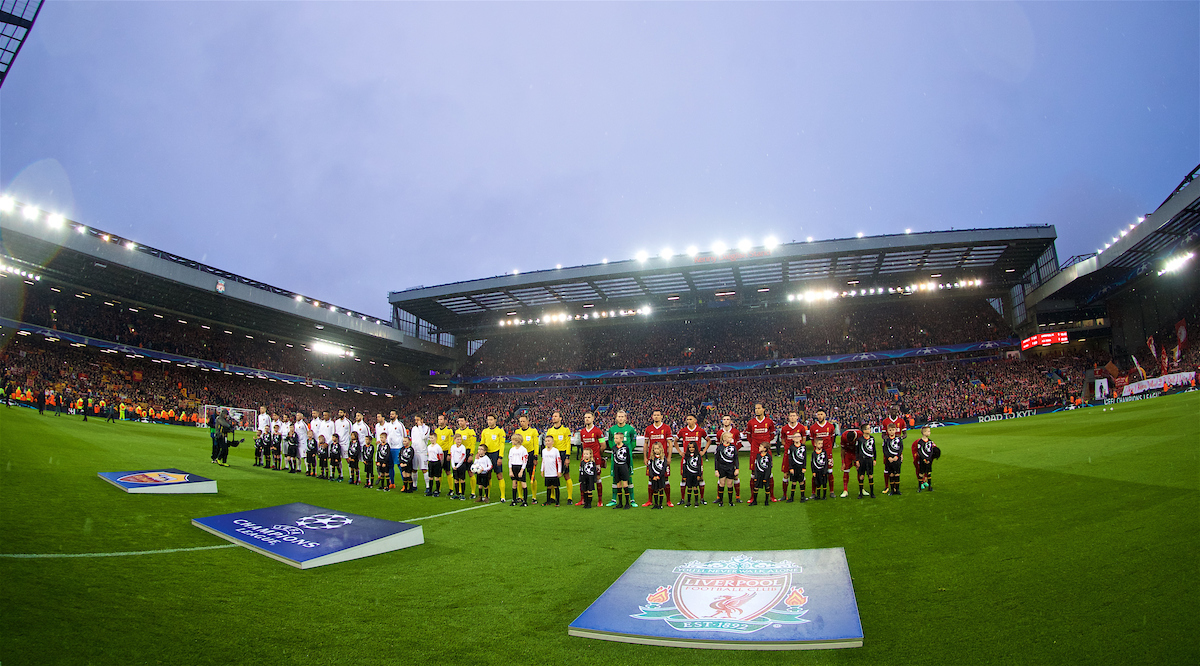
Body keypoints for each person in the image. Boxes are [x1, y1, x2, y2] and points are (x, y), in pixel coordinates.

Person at [605, 410, 637, 507]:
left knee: (629, 478)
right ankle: (614, 499)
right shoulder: (612, 429)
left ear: (625, 418)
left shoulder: (631, 429)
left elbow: (633, 441)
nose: (620, 418)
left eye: (622, 416)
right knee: (615, 479)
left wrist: (629, 450)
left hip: (627, 459)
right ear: (616, 418)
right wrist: (613, 448)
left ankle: (632, 500)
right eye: (619, 416)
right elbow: (610, 441)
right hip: (615, 458)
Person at [747, 403, 777, 501]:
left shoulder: (769, 421)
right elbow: (748, 436)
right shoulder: (751, 422)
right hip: (755, 451)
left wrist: (765, 445)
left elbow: (772, 435)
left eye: (759, 408)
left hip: (766, 452)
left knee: (769, 472)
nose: (757, 410)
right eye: (755, 408)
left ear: (764, 409)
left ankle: (771, 495)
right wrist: (755, 445)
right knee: (753, 472)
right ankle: (752, 496)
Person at [643, 410, 673, 507]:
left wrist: (669, 457)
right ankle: (649, 500)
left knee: (665, 478)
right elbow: (646, 443)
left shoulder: (666, 428)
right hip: (652, 459)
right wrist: (645, 457)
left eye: (658, 415)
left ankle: (668, 500)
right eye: (654, 415)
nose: (656, 417)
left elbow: (670, 443)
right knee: (651, 478)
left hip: (663, 459)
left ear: (661, 417)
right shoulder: (648, 429)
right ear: (652, 417)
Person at [677, 414, 708, 505]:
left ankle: (701, 499)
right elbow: (675, 440)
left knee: (700, 478)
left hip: (697, 459)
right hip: (686, 459)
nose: (688, 421)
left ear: (695, 420)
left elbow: (708, 440)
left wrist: (703, 451)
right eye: (687, 419)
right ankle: (683, 499)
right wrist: (679, 451)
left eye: (690, 419)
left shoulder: (700, 430)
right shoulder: (683, 431)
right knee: (684, 478)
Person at [576, 411, 605, 507]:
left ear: (593, 419)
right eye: (585, 417)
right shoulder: (582, 432)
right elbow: (583, 444)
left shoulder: (598, 431)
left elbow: (603, 446)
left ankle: (600, 500)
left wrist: (597, 455)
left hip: (595, 459)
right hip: (584, 459)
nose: (587, 419)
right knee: (582, 478)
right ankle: (582, 499)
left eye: (589, 417)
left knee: (597, 478)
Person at [545, 411, 573, 504]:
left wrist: (567, 457)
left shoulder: (565, 430)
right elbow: (547, 443)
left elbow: (568, 444)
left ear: (560, 418)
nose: (553, 418)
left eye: (556, 416)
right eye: (553, 416)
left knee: (566, 475)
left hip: (563, 454)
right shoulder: (550, 430)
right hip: (552, 454)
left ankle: (569, 498)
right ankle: (552, 497)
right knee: (552, 476)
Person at [809, 409, 837, 498]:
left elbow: (832, 439)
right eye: (818, 414)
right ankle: (814, 492)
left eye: (821, 414)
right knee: (815, 472)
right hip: (817, 453)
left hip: (828, 452)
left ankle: (831, 491)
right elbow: (813, 440)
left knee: (829, 471)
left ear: (825, 414)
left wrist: (828, 449)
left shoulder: (831, 426)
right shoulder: (813, 427)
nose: (820, 416)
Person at [780, 410, 807, 502]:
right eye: (790, 416)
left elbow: (804, 438)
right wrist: (787, 447)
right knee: (786, 474)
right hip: (788, 455)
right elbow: (782, 439)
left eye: (794, 416)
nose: (792, 417)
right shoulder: (784, 428)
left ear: (797, 417)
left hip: (798, 454)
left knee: (801, 474)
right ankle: (785, 495)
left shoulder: (801, 427)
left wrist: (799, 448)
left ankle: (803, 495)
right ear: (788, 417)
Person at [479, 415, 506, 503]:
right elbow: (482, 443)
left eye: (491, 419)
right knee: (487, 476)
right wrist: (479, 453)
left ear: (495, 420)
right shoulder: (485, 431)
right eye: (488, 420)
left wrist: (500, 457)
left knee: (499, 475)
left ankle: (502, 496)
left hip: (496, 454)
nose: (489, 421)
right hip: (486, 455)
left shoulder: (500, 431)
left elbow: (502, 444)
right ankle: (486, 496)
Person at [514, 415, 540, 504]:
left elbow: (536, 444)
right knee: (519, 476)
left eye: (523, 421)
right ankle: (520, 496)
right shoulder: (517, 431)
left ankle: (534, 497)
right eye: (520, 421)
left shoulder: (533, 431)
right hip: (519, 455)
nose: (522, 423)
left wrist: (535, 456)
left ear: (528, 422)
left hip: (530, 454)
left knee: (531, 475)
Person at [454, 416, 478, 499]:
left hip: (467, 452)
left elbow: (473, 444)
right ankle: (460, 491)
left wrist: (471, 454)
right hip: (459, 453)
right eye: (459, 421)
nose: (460, 422)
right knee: (460, 474)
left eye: (462, 421)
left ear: (466, 421)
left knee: (470, 472)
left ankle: (473, 492)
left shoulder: (470, 431)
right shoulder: (457, 431)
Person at [838, 420, 863, 498]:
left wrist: (860, 459)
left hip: (857, 454)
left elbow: (862, 448)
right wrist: (843, 462)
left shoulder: (860, 434)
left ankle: (861, 489)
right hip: (848, 454)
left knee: (860, 470)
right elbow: (842, 449)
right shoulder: (844, 436)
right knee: (846, 470)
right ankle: (845, 490)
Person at [714, 430, 739, 507]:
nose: (731, 439)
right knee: (722, 484)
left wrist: (737, 468)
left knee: (730, 484)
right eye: (729, 437)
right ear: (724, 438)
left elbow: (736, 458)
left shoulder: (733, 447)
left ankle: (730, 501)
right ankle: (721, 501)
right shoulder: (719, 447)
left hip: (730, 468)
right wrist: (716, 470)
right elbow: (716, 459)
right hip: (722, 468)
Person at [409, 415, 432, 496]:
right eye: (415, 420)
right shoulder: (414, 428)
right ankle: (414, 485)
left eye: (418, 419)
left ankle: (428, 486)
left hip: (422, 452)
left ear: (422, 419)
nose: (416, 421)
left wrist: (420, 427)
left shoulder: (426, 428)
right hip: (415, 451)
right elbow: (413, 440)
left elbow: (423, 437)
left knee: (424, 469)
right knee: (414, 469)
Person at [610, 431, 633, 509]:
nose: (615, 440)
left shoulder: (625, 447)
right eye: (614, 438)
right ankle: (620, 503)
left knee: (625, 485)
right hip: (617, 468)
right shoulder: (614, 448)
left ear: (621, 439)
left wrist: (629, 469)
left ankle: (627, 503)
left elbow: (628, 459)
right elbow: (613, 459)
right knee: (618, 485)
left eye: (617, 438)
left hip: (624, 467)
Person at [433, 415, 454, 496]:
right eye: (438, 419)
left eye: (441, 419)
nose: (439, 421)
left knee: (448, 471)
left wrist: (449, 453)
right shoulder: (436, 430)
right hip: (438, 453)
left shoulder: (449, 431)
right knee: (438, 472)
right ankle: (438, 489)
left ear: (445, 420)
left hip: (445, 452)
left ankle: (451, 489)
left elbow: (450, 443)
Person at [386, 411, 407, 491]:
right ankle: (392, 483)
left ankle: (404, 484)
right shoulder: (388, 425)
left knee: (400, 466)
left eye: (393, 414)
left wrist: (403, 447)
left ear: (396, 415)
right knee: (390, 466)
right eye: (390, 414)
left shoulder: (399, 425)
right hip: (390, 448)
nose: (391, 415)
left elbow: (404, 435)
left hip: (398, 447)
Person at [508, 431, 530, 507]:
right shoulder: (512, 449)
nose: (512, 441)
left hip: (520, 467)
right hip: (514, 467)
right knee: (514, 484)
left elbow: (525, 461)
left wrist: (521, 471)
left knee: (523, 484)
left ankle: (525, 501)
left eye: (513, 440)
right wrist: (510, 470)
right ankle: (513, 500)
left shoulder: (523, 450)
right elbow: (510, 460)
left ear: (517, 441)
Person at [540, 434, 562, 506]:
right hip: (547, 472)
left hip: (554, 472)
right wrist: (542, 470)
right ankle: (548, 501)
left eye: (548, 441)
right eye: (546, 441)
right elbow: (543, 461)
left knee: (556, 486)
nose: (547, 442)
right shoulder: (543, 451)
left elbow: (559, 461)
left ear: (552, 442)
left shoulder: (555, 451)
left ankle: (557, 501)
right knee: (548, 487)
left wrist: (559, 471)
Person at [786, 428, 808, 502]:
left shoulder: (803, 447)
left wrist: (804, 467)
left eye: (798, 436)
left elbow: (805, 458)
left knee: (801, 481)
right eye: (795, 437)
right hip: (794, 467)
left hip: (801, 467)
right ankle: (791, 497)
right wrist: (791, 468)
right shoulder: (791, 447)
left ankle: (802, 497)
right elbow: (790, 458)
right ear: (793, 439)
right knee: (794, 482)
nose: (797, 438)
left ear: (801, 438)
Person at [855, 426, 877, 499]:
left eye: (869, 428)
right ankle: (860, 493)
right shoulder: (860, 439)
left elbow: (874, 449)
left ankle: (872, 493)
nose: (869, 430)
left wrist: (875, 459)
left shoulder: (872, 438)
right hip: (862, 460)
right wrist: (857, 460)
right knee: (861, 476)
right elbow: (857, 451)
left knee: (870, 475)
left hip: (869, 460)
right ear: (864, 430)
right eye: (868, 428)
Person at [680, 440, 703, 507]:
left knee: (695, 487)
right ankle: (688, 502)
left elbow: (699, 466)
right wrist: (684, 475)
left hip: (695, 474)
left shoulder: (698, 456)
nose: (691, 449)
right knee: (689, 487)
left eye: (693, 447)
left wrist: (699, 475)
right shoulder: (686, 456)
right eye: (690, 447)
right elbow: (684, 466)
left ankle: (696, 501)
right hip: (688, 474)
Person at [915, 427, 937, 491]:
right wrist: (924, 459)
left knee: (929, 472)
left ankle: (930, 486)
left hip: (928, 459)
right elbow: (919, 451)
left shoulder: (930, 441)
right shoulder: (920, 442)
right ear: (924, 433)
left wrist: (929, 458)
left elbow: (931, 451)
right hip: (922, 460)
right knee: (921, 473)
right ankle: (919, 487)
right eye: (928, 431)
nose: (929, 433)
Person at [450, 433, 471, 500]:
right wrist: (453, 465)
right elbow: (452, 456)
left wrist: (458, 465)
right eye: (457, 439)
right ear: (454, 440)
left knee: (462, 479)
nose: (459, 441)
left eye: (460, 439)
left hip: (461, 465)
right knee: (456, 479)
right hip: (455, 465)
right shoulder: (453, 447)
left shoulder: (463, 447)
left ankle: (462, 494)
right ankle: (456, 493)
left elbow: (463, 457)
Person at [648, 442, 669, 509]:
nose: (656, 450)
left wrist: (659, 476)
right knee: (655, 490)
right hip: (654, 477)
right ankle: (656, 504)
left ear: (661, 449)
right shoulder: (651, 458)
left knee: (660, 489)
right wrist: (652, 476)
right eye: (655, 449)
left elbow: (664, 468)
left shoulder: (663, 458)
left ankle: (660, 504)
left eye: (658, 448)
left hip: (660, 477)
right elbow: (650, 468)